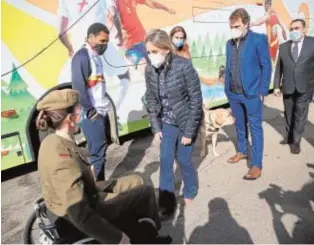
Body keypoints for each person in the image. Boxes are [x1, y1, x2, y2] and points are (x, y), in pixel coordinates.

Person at [36, 88, 171, 244]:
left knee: (136, 180)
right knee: (145, 192)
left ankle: (145, 228)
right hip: (89, 206)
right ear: (69, 119)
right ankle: (147, 237)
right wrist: (117, 238)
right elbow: (80, 214)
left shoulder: (53, 140)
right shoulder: (60, 157)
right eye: (79, 110)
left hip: (88, 191)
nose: (82, 115)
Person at [144, 29, 203, 218]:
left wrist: (189, 132)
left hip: (186, 121)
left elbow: (196, 100)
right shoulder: (150, 70)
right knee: (166, 160)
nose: (150, 56)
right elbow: (151, 99)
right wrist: (156, 127)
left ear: (165, 49)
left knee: (184, 160)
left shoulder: (184, 66)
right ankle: (166, 203)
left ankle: (191, 188)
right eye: (148, 52)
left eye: (154, 51)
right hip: (167, 123)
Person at [225, 8, 272, 180]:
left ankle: (256, 165)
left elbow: (266, 66)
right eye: (231, 26)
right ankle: (243, 151)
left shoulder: (258, 40)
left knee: (255, 128)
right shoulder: (229, 43)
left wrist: (262, 90)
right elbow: (229, 66)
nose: (233, 29)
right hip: (234, 93)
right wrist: (227, 89)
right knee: (239, 125)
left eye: (236, 26)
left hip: (252, 94)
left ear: (246, 23)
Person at [57, 0, 130, 111]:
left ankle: (89, 115)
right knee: (124, 77)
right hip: (102, 45)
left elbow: (61, 33)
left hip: (80, 49)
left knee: (82, 86)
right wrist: (119, 34)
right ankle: (113, 112)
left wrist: (70, 49)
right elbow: (114, 14)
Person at [71, 23, 111, 181]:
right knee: (98, 156)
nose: (104, 45)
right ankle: (97, 193)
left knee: (101, 153)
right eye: (102, 41)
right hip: (93, 114)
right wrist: (91, 111)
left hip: (100, 111)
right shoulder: (82, 57)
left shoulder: (95, 56)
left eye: (107, 41)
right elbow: (79, 87)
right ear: (90, 37)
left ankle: (98, 189)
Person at [273, 19, 314, 154]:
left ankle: (296, 141)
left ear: (304, 29)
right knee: (288, 113)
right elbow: (279, 68)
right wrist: (276, 86)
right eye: (292, 28)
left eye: (297, 28)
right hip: (288, 85)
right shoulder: (283, 47)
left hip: (305, 87)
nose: (294, 31)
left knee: (300, 114)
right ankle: (288, 136)